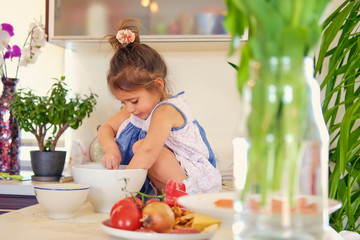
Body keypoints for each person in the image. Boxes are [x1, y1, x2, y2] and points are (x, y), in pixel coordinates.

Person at [98, 18, 222, 195]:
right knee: (139, 149)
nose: (129, 109)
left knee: (141, 147)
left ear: (157, 85)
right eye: (123, 102)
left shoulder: (166, 111)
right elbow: (106, 128)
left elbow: (148, 152)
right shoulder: (137, 110)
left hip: (196, 181)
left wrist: (121, 189)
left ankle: (190, 196)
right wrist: (111, 150)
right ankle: (172, 199)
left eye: (133, 101)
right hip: (169, 186)